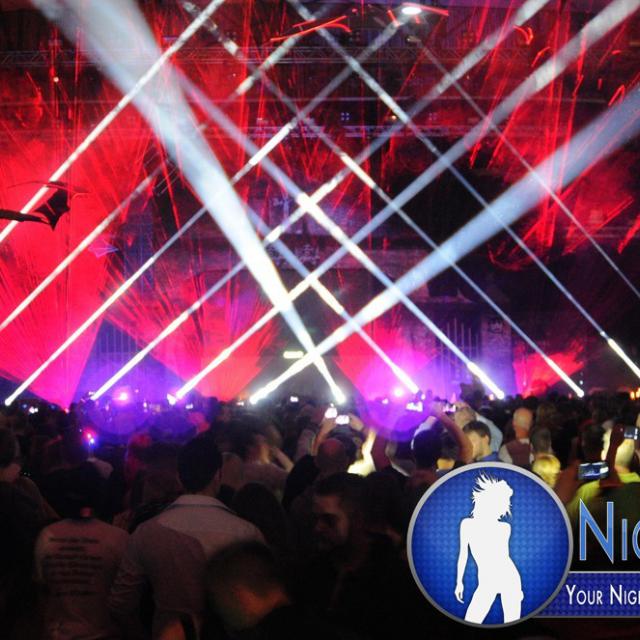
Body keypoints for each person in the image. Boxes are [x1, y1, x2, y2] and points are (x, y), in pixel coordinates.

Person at [109, 434, 264, 637]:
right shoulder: (246, 533)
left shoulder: (147, 532)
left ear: (179, 478)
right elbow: (263, 602)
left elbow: (120, 603)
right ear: (218, 476)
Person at [34, 490, 128, 639]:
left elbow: (41, 589)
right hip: (103, 631)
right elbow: (125, 594)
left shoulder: (47, 535)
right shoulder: (117, 537)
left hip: (58, 631)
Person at [455, 473, 522, 623]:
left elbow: (503, 558)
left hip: (509, 578)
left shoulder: (505, 528)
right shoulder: (467, 525)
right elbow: (463, 555)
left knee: (512, 623)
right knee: (471, 620)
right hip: (487, 581)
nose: (505, 507)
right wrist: (459, 582)